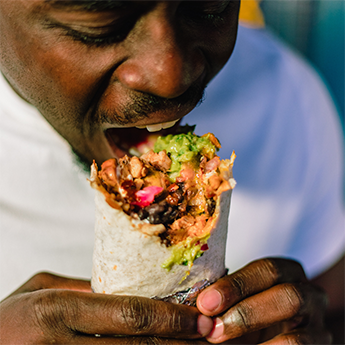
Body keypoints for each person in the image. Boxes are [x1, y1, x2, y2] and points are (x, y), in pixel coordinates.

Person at [0, 0, 343, 344]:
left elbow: (333, 301)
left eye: (210, 6)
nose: (171, 77)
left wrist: (306, 327)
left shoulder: (287, 103)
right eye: (98, 25)